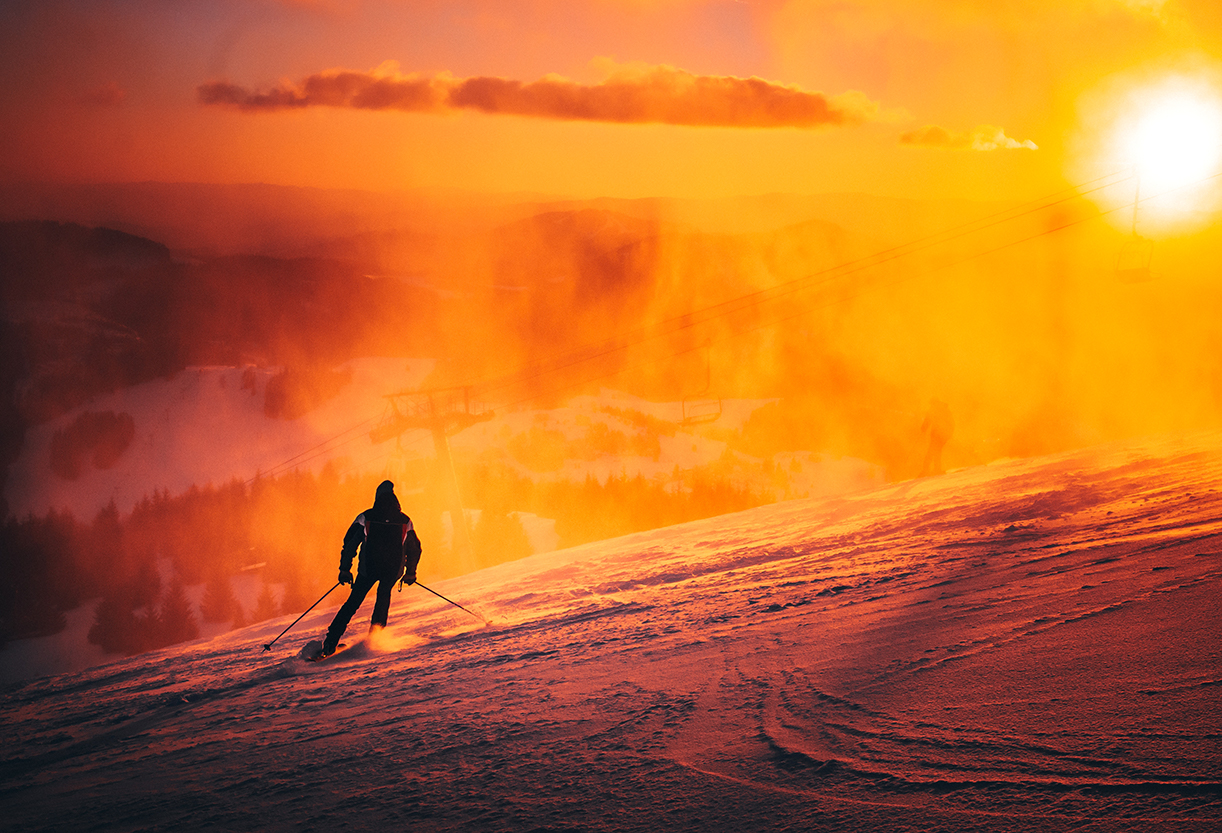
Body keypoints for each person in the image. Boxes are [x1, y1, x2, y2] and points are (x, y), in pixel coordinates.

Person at [321, 479, 422, 657]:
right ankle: (374, 640)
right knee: (383, 599)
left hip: (369, 568)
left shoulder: (366, 516)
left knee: (352, 603)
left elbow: (350, 544)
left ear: (377, 497)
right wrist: (410, 573)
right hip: (392, 570)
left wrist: (345, 569)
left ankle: (330, 642)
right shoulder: (405, 520)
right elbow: (415, 549)